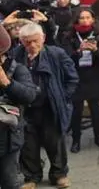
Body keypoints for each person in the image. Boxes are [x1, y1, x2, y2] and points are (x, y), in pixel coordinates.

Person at [13, 22, 78, 189]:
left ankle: (59, 174)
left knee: (55, 142)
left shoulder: (56, 54)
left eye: (35, 41)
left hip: (51, 106)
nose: (32, 45)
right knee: (28, 144)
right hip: (27, 108)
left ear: (43, 38)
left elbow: (72, 78)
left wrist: (63, 97)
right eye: (27, 42)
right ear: (21, 41)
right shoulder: (17, 55)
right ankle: (31, 176)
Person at [58, 8, 99, 153]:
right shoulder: (69, 36)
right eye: (82, 18)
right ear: (76, 20)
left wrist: (95, 50)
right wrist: (78, 51)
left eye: (88, 17)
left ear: (93, 20)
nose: (85, 20)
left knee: (95, 109)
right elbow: (66, 58)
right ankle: (76, 140)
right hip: (77, 77)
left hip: (94, 76)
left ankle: (98, 136)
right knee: (76, 111)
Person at [0, 23, 38, 189]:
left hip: (8, 139)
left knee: (10, 182)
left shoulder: (17, 69)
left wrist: (7, 83)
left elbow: (29, 95)